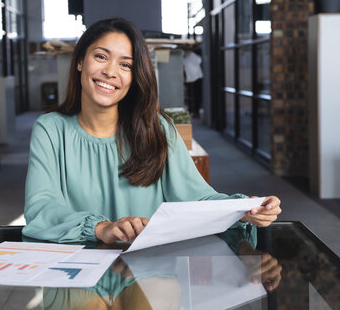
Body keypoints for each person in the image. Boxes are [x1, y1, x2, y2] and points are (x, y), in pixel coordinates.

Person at [22, 18, 281, 244]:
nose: (110, 72)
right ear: (80, 62)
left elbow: (197, 199)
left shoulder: (157, 129)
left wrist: (243, 209)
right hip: (76, 278)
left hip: (147, 278)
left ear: (135, 77)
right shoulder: (51, 130)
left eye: (126, 65)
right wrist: (101, 228)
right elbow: (40, 208)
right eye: (101, 56)